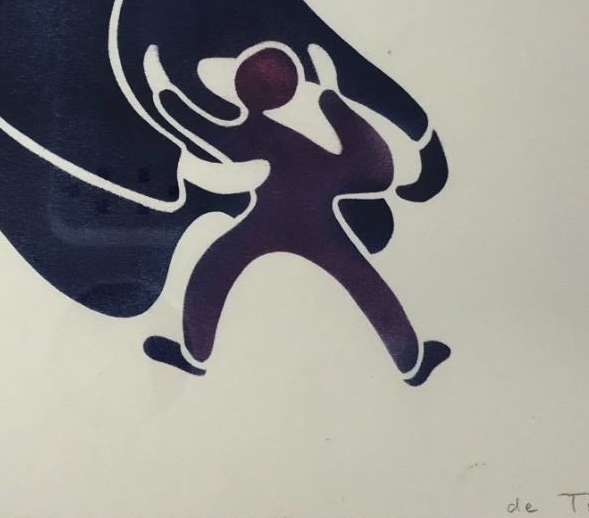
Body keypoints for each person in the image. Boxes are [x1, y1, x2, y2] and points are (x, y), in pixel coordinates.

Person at [142, 43, 451, 387]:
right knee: (364, 283)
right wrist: (332, 100)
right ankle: (411, 362)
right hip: (314, 227)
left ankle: (194, 354)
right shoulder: (299, 138)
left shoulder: (251, 133)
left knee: (213, 269)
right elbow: (372, 167)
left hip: (268, 223)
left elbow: (191, 122)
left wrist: (161, 86)